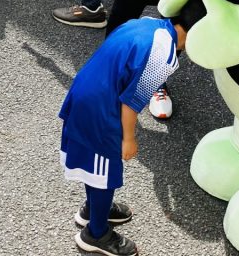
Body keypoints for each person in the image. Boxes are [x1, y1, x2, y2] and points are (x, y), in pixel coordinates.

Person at [60, 16, 187, 256]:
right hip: (102, 109)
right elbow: (131, 103)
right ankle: (96, 234)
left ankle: (94, 210)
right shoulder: (165, 55)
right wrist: (129, 139)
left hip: (87, 91)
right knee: (106, 175)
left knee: (96, 169)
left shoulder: (148, 23)